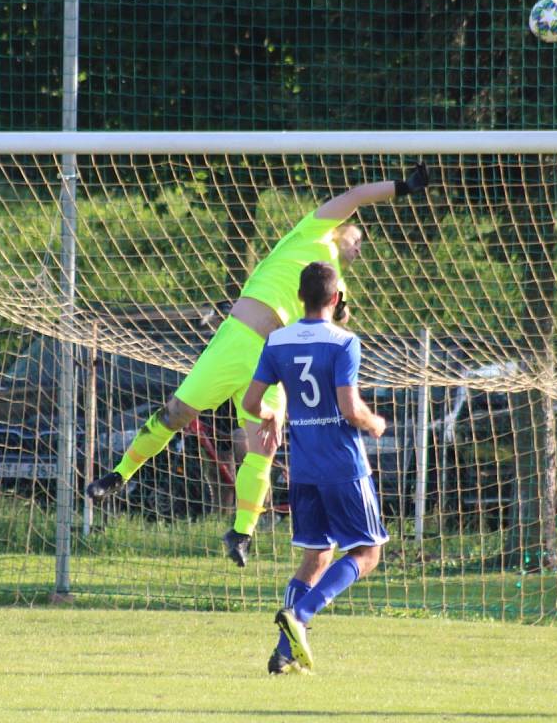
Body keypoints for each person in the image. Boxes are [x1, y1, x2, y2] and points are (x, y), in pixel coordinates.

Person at [86, 164, 429, 568]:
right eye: (357, 239)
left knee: (263, 446)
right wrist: (401, 187)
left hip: (272, 360)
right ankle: (119, 475)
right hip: (236, 342)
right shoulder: (310, 233)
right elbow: (354, 196)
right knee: (176, 414)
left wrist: (342, 310)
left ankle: (241, 532)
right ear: (339, 229)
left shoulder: (333, 283)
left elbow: (329, 323)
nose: (358, 248)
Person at [243, 260, 388, 674]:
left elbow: (251, 403)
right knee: (367, 551)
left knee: (316, 556)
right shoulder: (344, 342)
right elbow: (350, 408)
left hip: (303, 468)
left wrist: (272, 416)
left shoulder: (277, 341)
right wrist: (374, 423)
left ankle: (284, 652)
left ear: (300, 297)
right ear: (336, 297)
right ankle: (301, 615)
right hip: (342, 466)